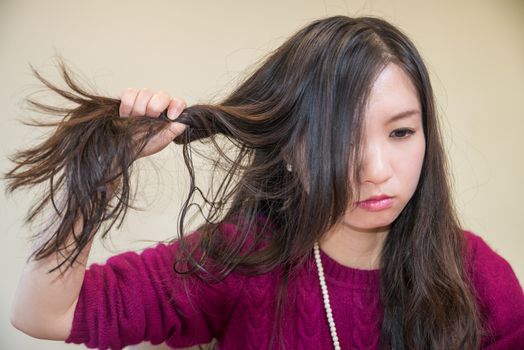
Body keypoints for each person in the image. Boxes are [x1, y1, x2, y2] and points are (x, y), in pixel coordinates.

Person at [6, 15, 524, 350]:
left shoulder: (480, 278)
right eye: (339, 138)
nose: (377, 169)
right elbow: (43, 313)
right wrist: (97, 176)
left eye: (401, 132)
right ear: (291, 152)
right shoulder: (238, 259)